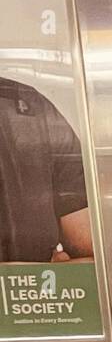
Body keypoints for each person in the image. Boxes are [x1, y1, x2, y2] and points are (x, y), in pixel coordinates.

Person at [0, 77, 93, 263]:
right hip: (30, 283)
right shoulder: (29, 105)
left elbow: (88, 248)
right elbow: (87, 245)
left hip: (31, 284)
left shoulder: (30, 106)